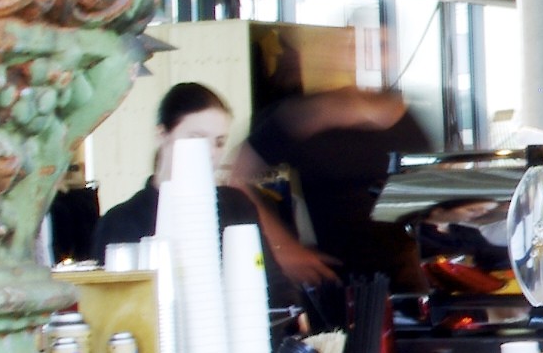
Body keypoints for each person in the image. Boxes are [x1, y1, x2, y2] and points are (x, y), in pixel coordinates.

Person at [232, 86, 428, 288]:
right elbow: (235, 180)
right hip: (334, 276)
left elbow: (425, 189)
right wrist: (280, 247)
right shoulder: (298, 116)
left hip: (405, 272)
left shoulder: (401, 113)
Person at [94, 83, 265, 258]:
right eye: (197, 138)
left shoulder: (237, 208)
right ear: (162, 135)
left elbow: (268, 273)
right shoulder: (120, 222)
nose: (211, 152)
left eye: (219, 142)